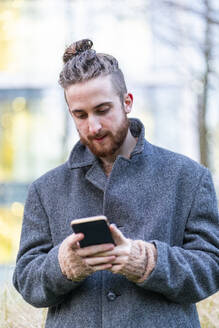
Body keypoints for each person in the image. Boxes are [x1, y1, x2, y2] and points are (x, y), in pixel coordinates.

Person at [13, 39, 219, 328]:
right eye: (80, 115)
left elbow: (212, 268)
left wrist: (145, 261)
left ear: (127, 102)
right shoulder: (44, 190)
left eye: (102, 109)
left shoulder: (189, 177)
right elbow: (25, 280)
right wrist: (63, 265)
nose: (93, 126)